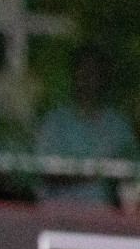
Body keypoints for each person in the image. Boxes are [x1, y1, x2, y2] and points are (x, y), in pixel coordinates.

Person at [37, 45, 137, 207]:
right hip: (57, 216)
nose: (87, 77)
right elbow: (47, 173)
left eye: (94, 71)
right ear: (74, 75)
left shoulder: (119, 126)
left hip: (103, 220)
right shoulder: (55, 122)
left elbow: (130, 173)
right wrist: (99, 172)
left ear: (104, 77)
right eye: (83, 70)